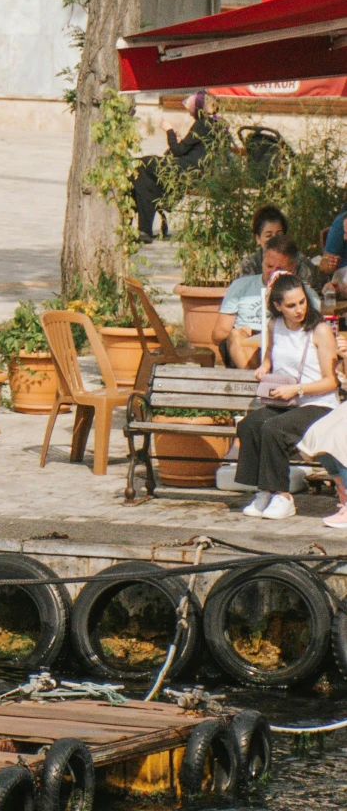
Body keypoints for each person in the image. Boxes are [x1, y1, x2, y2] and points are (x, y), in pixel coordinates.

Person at [231, 272, 339, 522]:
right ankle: (264, 490)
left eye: (302, 302)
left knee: (273, 429)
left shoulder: (319, 330)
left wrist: (298, 389)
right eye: (291, 305)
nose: (299, 309)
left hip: (318, 402)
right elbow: (271, 352)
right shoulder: (275, 325)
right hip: (287, 401)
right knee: (250, 425)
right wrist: (265, 367)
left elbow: (331, 380)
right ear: (278, 306)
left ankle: (283, 496)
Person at [212, 235, 313, 368]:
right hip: (244, 342)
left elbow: (312, 330)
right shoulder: (240, 287)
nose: (272, 272)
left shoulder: (302, 293)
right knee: (236, 335)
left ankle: (256, 385)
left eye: (279, 269)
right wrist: (243, 333)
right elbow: (217, 335)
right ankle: (256, 384)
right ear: (262, 261)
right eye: (269, 266)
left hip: (282, 343)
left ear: (292, 268)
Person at [132, 90, 221, 242]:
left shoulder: (202, 124)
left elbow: (178, 150)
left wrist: (169, 130)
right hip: (193, 168)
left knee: (143, 165)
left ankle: (144, 226)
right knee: (145, 179)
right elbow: (192, 148)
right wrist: (180, 140)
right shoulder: (213, 123)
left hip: (186, 170)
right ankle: (145, 230)